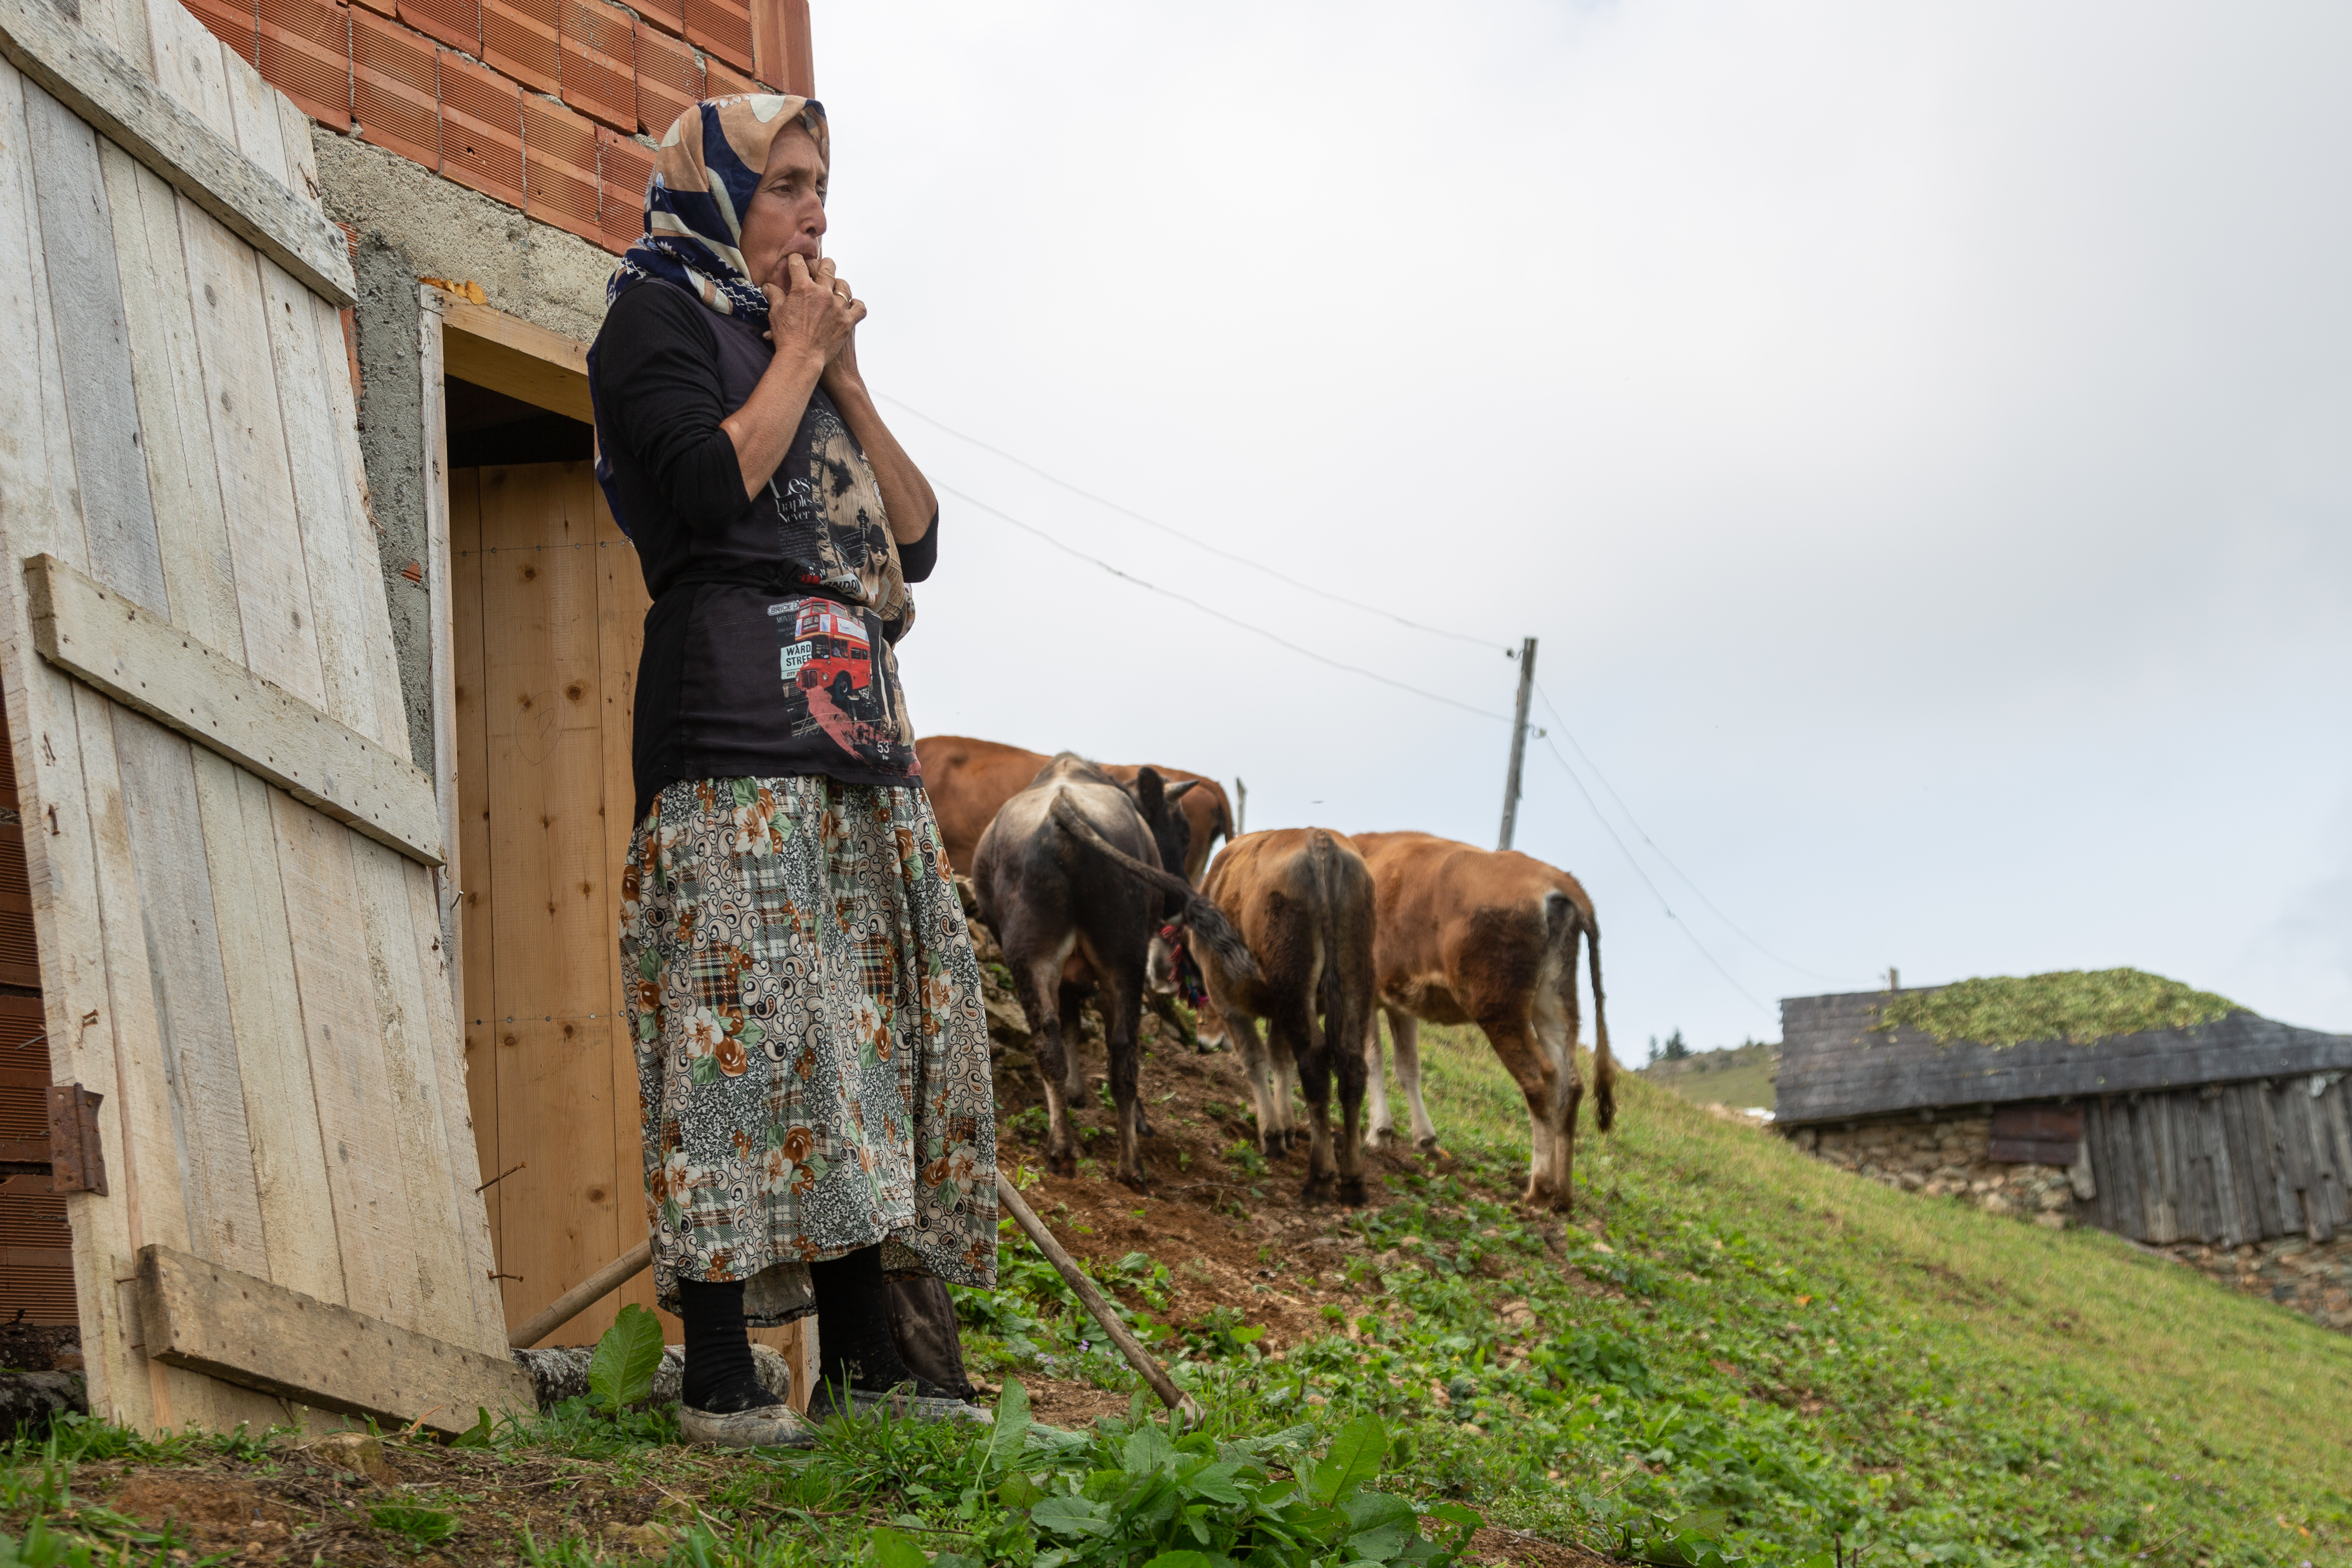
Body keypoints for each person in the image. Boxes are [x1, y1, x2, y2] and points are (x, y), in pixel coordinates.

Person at [589, 93, 997, 1449]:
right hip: (728, 748)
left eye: (823, 184)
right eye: (786, 183)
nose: (815, 209)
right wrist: (792, 355)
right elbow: (710, 489)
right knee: (734, 1045)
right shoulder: (656, 320)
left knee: (862, 1048)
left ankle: (872, 1368)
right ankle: (717, 1374)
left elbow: (918, 537)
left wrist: (843, 376)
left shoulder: (801, 346)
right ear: (715, 192)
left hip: (858, 753)